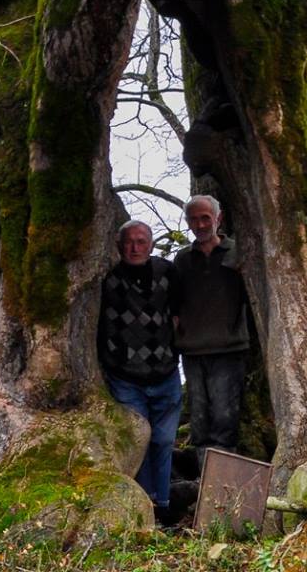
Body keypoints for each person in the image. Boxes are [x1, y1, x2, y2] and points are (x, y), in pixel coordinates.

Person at [96, 218, 180, 523]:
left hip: (166, 373)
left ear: (151, 244)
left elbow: (180, 310)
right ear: (119, 245)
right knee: (139, 439)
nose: (134, 247)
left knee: (164, 440)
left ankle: (165, 503)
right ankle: (145, 505)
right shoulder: (107, 277)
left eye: (141, 241)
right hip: (125, 376)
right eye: (129, 241)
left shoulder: (166, 272)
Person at [172, 194, 251, 454]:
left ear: (218, 218)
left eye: (205, 218)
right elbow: (173, 302)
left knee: (225, 419)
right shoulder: (182, 261)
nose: (200, 225)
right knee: (199, 421)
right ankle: (201, 479)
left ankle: (221, 483)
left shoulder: (239, 253)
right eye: (193, 220)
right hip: (193, 351)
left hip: (229, 348)